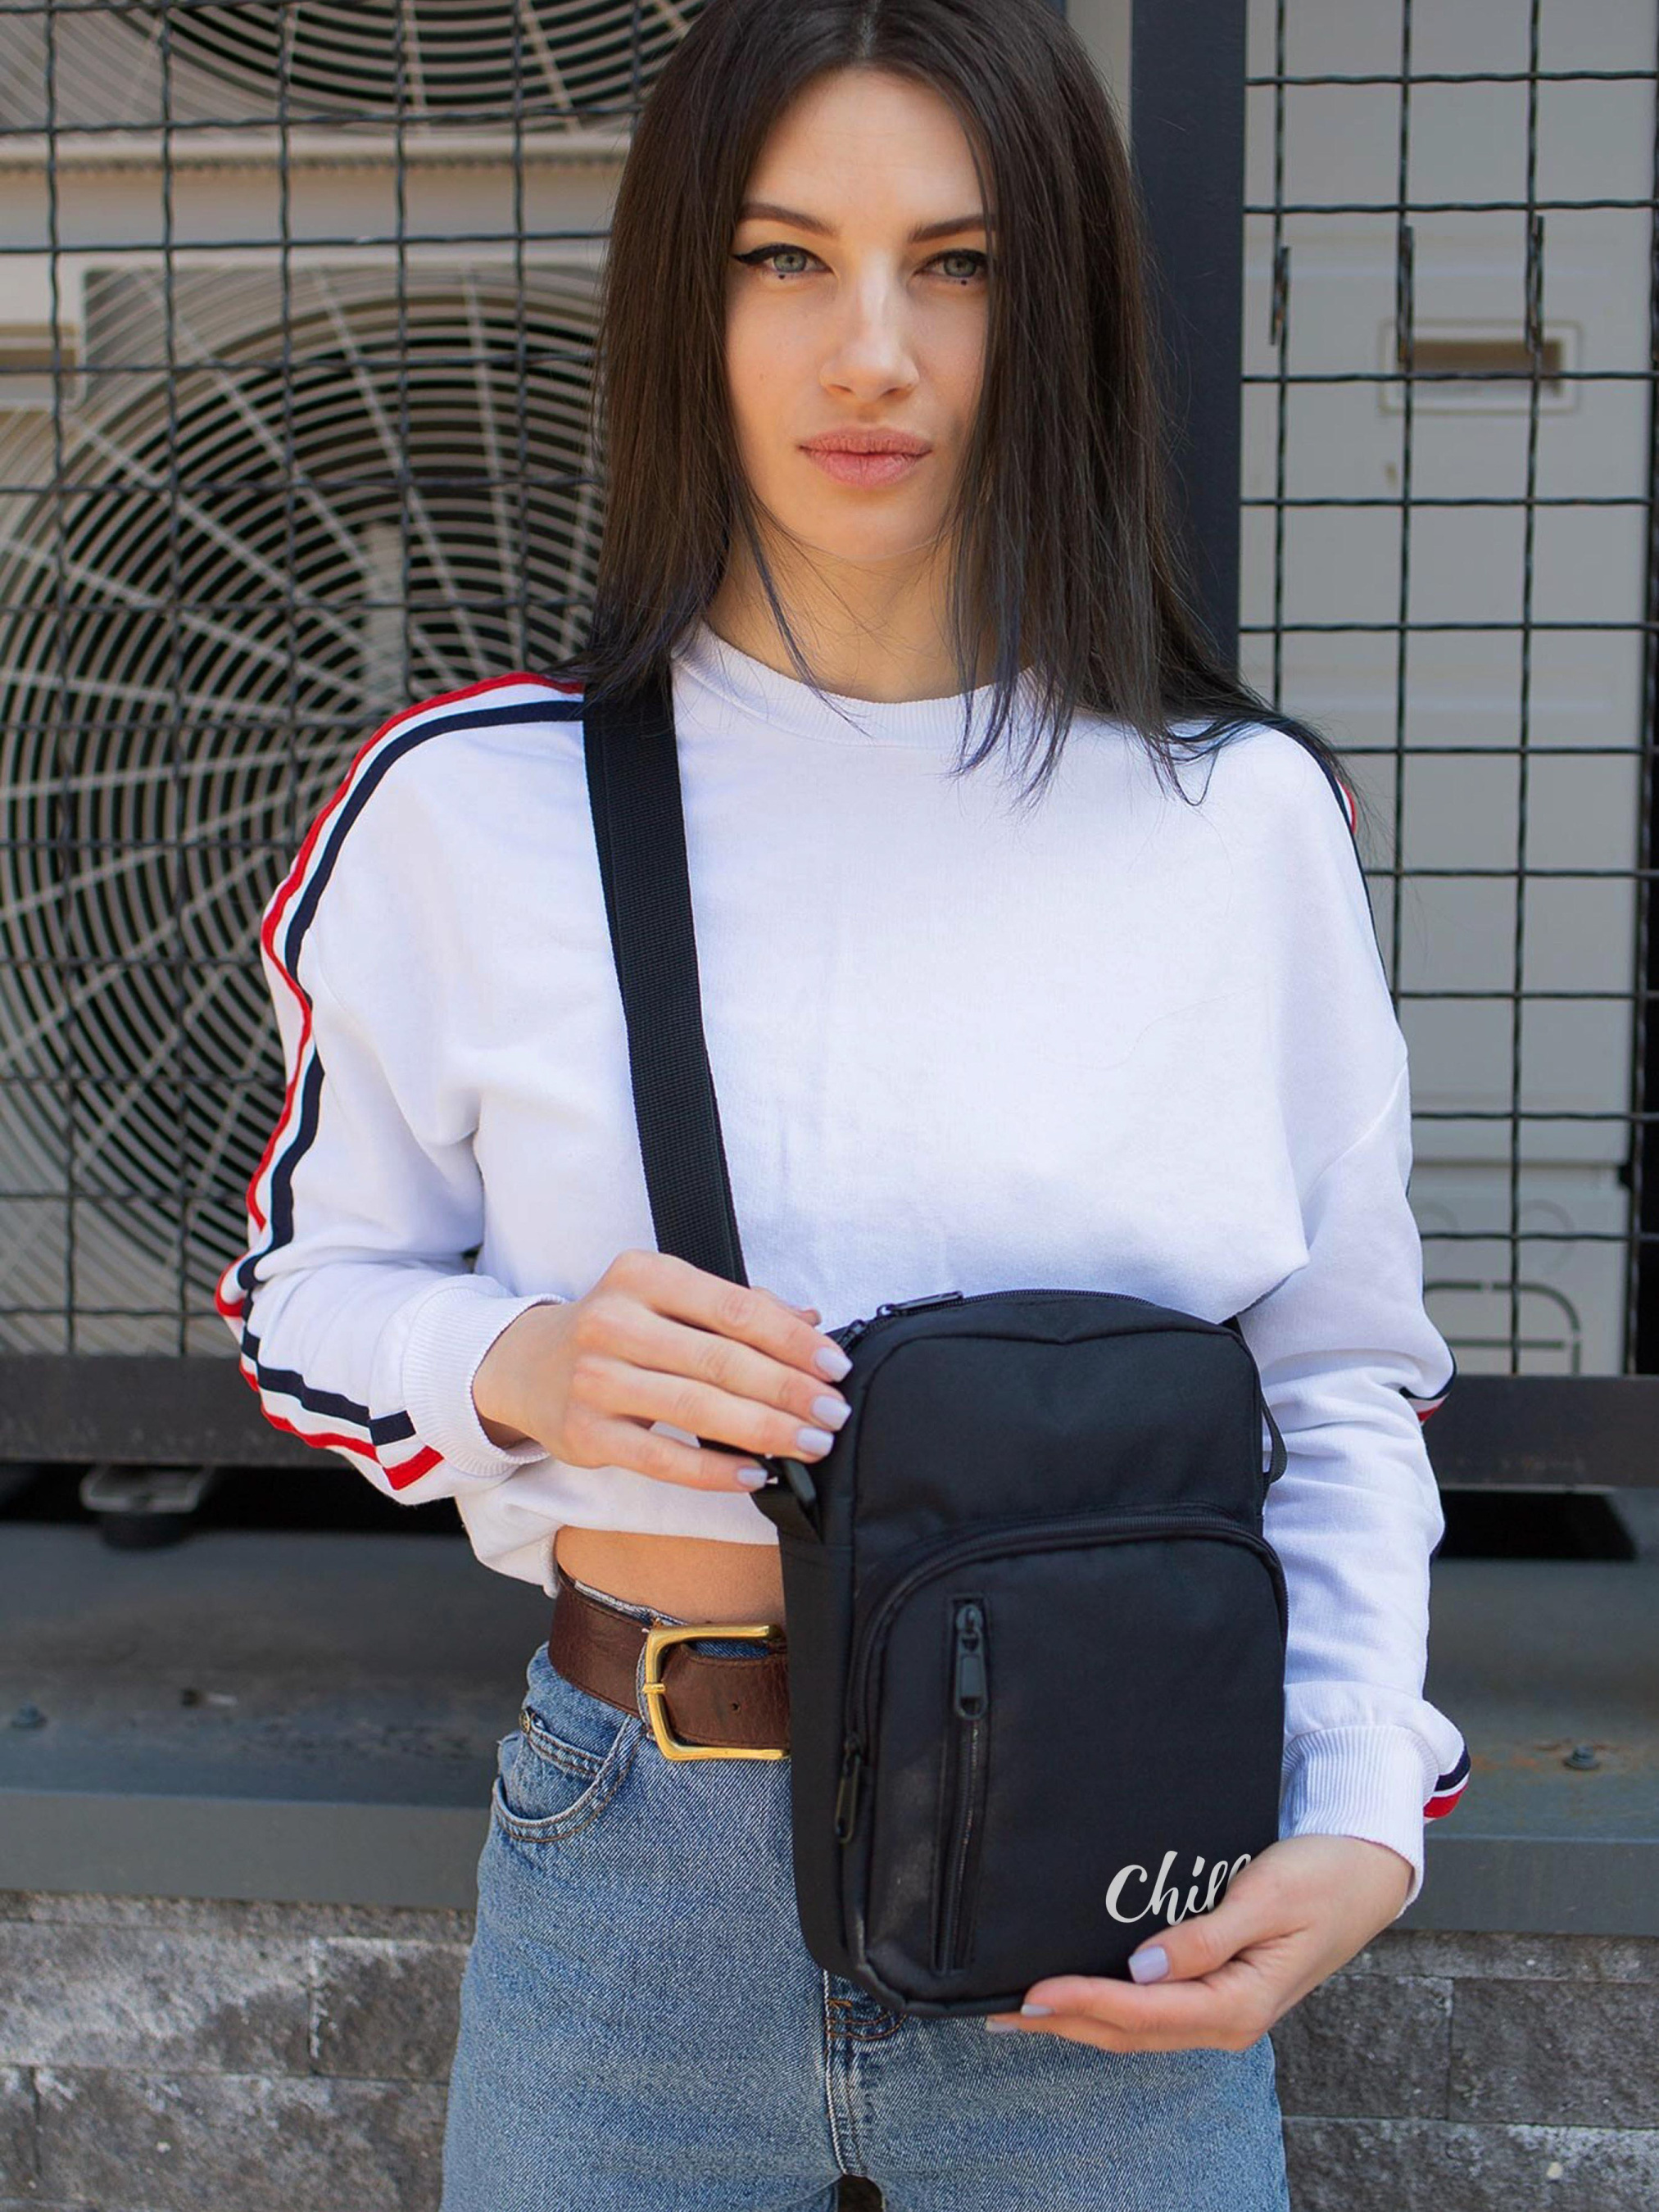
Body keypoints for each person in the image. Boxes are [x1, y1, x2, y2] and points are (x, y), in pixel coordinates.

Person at [217, 2, 1470, 2205]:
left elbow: (1337, 1371)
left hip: (1112, 1891)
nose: (869, 350)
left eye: (954, 264)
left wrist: (1364, 1801)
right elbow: (300, 1295)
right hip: (634, 1890)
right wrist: (517, 1358)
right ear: (679, 299)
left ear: (1054, 310)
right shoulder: (470, 809)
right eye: (782, 256)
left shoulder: (1234, 821)